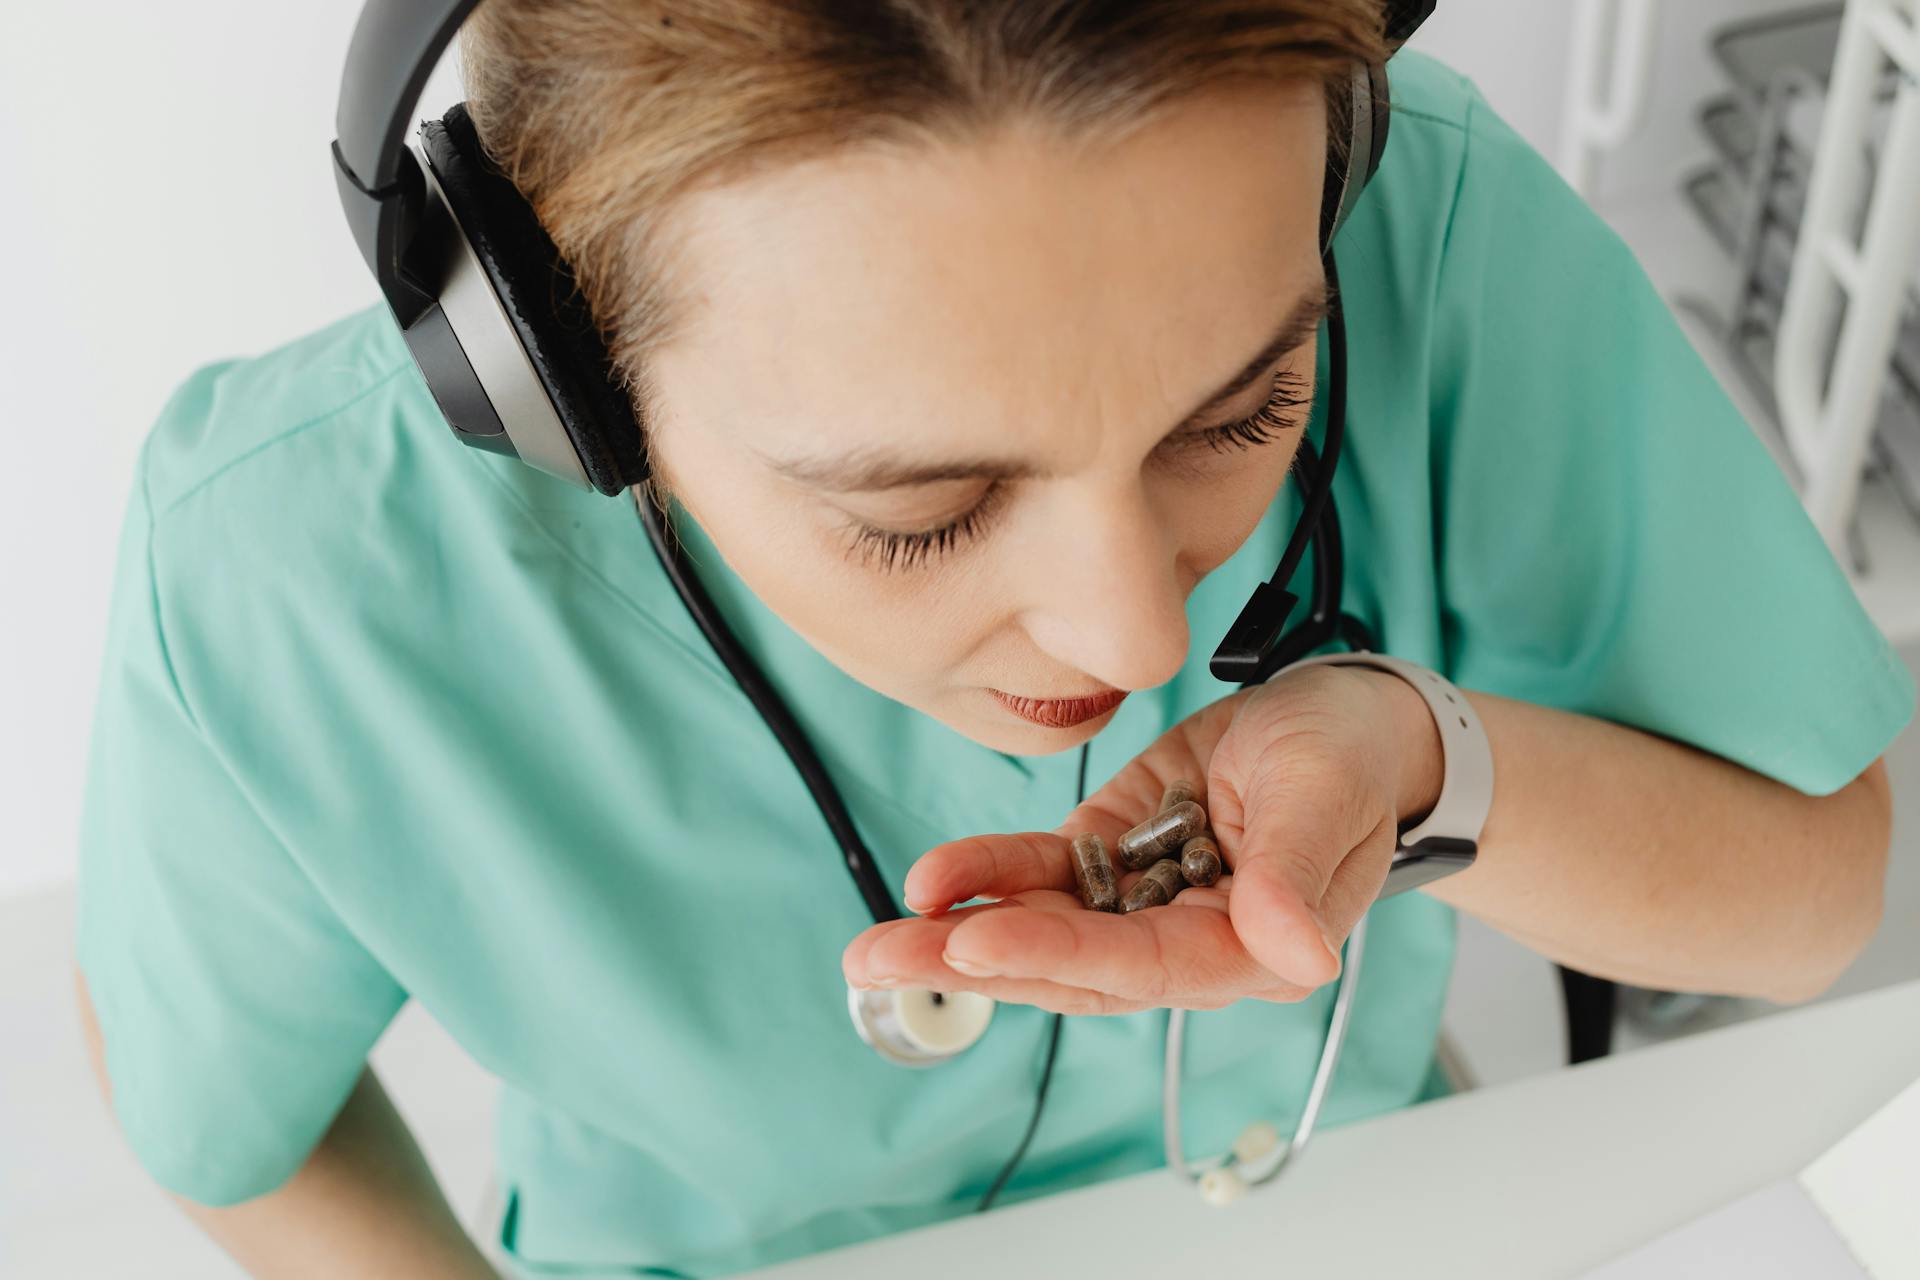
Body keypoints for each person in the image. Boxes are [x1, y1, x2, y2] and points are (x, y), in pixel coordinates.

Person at [73, 2, 1911, 1277]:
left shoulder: (1414, 213)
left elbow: (1812, 894)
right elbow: (234, 1131)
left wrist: (1432, 764)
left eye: (1246, 409)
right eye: (923, 510)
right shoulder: (276, 567)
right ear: (554, 378)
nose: (1136, 624)